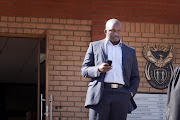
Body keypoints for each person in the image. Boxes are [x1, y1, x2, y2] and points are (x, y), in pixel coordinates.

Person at [81, 18, 140, 120]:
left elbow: (135, 76)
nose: (116, 33)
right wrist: (98, 69)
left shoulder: (130, 51)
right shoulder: (94, 46)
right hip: (101, 93)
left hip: (122, 94)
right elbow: (84, 70)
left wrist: (130, 93)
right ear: (105, 31)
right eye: (112, 30)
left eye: (118, 31)